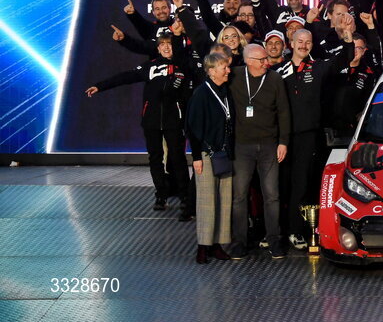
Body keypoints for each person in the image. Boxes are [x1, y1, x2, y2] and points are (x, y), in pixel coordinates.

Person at [86, 31, 193, 216]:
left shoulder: (182, 65)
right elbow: (125, 77)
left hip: (174, 120)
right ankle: (161, 195)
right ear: (158, 48)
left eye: (170, 44)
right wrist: (101, 86)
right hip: (150, 121)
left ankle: (185, 196)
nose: (166, 47)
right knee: (155, 159)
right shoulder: (150, 66)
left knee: (178, 158)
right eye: (162, 44)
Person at [274, 27, 353, 249]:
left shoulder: (318, 67)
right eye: (299, 41)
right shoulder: (278, 70)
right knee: (278, 185)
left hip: (307, 136)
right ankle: (274, 232)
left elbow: (342, 61)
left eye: (308, 41)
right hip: (280, 137)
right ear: (291, 42)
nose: (303, 45)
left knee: (301, 185)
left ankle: (295, 231)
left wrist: (347, 38)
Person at [227, 43, 290, 260]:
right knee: (239, 196)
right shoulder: (234, 76)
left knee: (272, 195)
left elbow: (283, 111)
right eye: (262, 60)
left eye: (266, 59)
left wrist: (283, 142)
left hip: (269, 145)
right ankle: (238, 243)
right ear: (249, 61)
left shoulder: (274, 79)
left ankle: (274, 241)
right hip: (241, 146)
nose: (266, 62)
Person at [185, 51, 235, 264]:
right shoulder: (201, 93)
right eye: (224, 67)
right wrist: (196, 156)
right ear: (212, 70)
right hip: (206, 155)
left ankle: (218, 244)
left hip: (225, 154)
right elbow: (192, 128)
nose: (228, 70)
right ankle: (202, 247)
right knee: (206, 201)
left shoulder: (225, 90)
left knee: (224, 200)